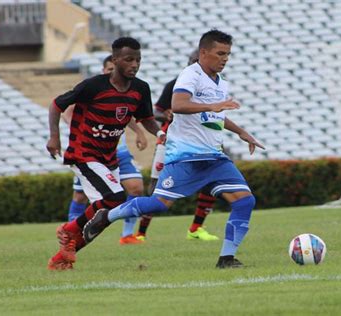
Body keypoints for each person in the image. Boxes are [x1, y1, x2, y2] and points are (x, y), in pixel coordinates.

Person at [83, 29, 265, 269]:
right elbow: (177, 105)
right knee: (158, 204)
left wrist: (240, 131)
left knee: (245, 201)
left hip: (214, 157)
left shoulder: (221, 83)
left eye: (228, 54)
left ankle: (226, 258)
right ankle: (107, 216)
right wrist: (214, 104)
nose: (225, 59)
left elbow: (213, 115)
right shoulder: (190, 75)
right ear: (203, 52)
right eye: (220, 53)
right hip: (186, 157)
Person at [46, 37, 164, 270]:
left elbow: (147, 119)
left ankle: (64, 256)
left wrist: (160, 134)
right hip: (83, 153)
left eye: (138, 60)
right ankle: (69, 229)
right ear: (116, 59)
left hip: (109, 157)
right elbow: (56, 104)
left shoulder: (140, 88)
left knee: (107, 212)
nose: (135, 64)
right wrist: (54, 137)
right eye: (129, 59)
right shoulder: (93, 86)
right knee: (116, 198)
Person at [128, 49, 219, 244]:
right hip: (172, 143)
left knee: (211, 182)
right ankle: (141, 232)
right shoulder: (177, 84)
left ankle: (196, 228)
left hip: (201, 143)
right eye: (194, 61)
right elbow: (155, 112)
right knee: (156, 188)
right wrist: (166, 116)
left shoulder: (212, 87)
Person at [63, 55, 150, 245]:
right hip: (91, 153)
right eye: (109, 69)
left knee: (136, 188)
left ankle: (127, 235)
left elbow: (127, 115)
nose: (113, 72)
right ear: (104, 70)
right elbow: (67, 111)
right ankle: (71, 232)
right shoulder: (94, 88)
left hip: (119, 153)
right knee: (80, 195)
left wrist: (139, 132)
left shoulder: (128, 91)